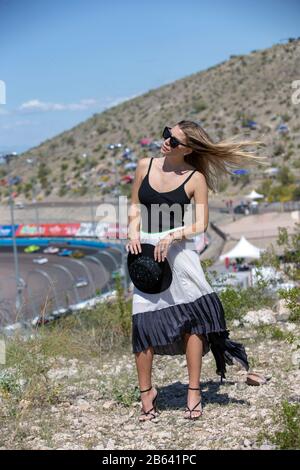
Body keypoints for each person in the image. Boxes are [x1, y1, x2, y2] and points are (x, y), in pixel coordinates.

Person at [125, 120, 265, 422]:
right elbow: (135, 205)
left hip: (179, 253)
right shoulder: (143, 166)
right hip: (146, 255)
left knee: (194, 323)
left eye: (174, 141)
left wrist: (173, 235)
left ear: (188, 149)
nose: (166, 143)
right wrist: (132, 232)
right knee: (143, 325)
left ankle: (194, 390)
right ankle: (146, 392)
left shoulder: (195, 178)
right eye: (166, 135)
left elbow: (201, 223)